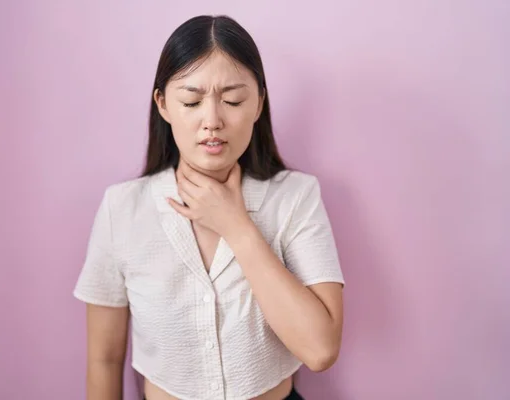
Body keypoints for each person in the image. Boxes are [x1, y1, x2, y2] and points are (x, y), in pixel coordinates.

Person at [73, 14, 345, 400]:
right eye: (192, 100)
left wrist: (237, 227)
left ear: (259, 103)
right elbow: (104, 358)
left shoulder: (296, 196)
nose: (212, 120)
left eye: (233, 100)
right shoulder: (122, 209)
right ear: (163, 104)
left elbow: (320, 349)